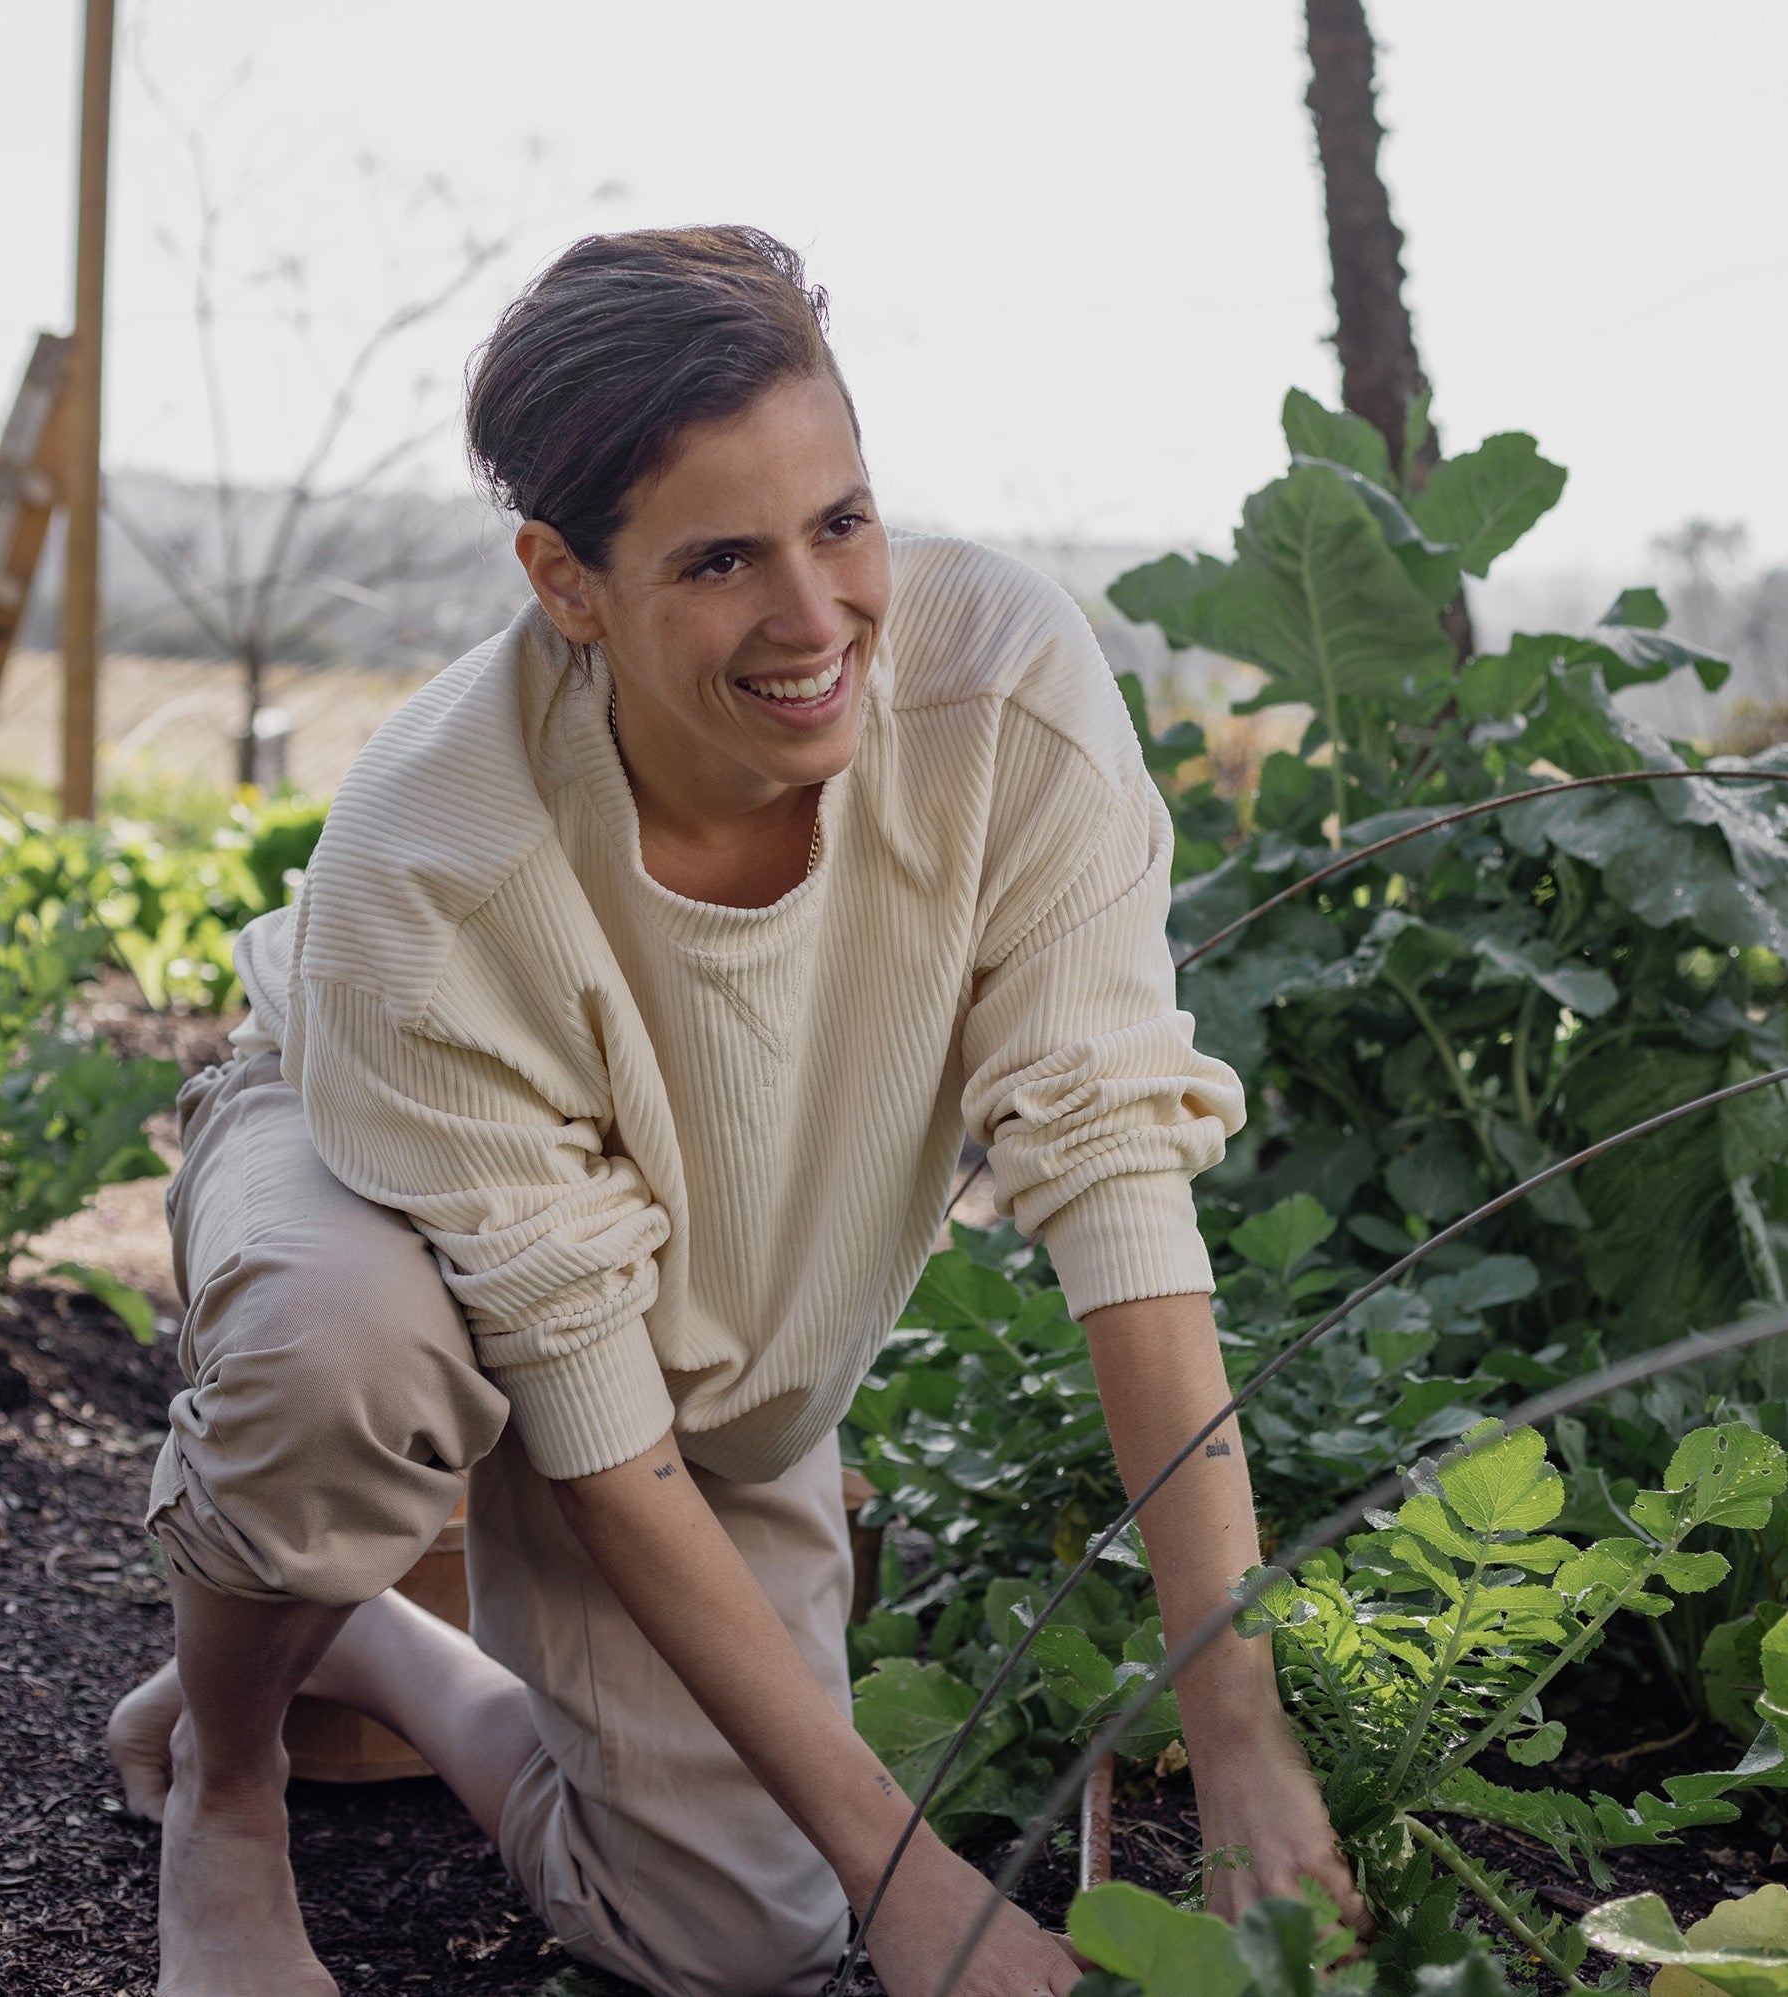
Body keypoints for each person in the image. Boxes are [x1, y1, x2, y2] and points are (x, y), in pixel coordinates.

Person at [106, 224, 1368, 1997]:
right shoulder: (436, 855)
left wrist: (1229, 1712)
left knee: (731, 1940)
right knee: (343, 1364)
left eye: (838, 521)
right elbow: (574, 1379)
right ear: (567, 580)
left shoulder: (996, 693)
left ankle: (382, 1649)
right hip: (367, 1171)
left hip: (712, 1339)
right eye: (717, 559)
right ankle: (225, 1787)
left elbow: (1111, 1171)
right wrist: (911, 1873)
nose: (811, 617)